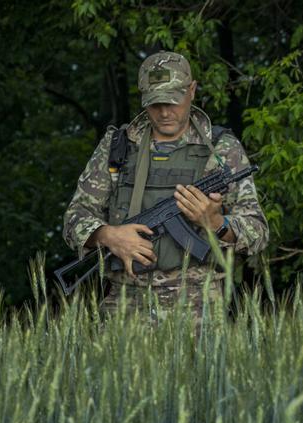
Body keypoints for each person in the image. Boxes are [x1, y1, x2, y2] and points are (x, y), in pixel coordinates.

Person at [63, 51, 268, 324]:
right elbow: (74, 218)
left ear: (192, 91)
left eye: (173, 101)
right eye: (155, 103)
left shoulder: (221, 149)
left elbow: (258, 232)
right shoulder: (118, 146)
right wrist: (108, 236)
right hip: (126, 306)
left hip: (200, 309)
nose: (164, 112)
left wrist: (218, 223)